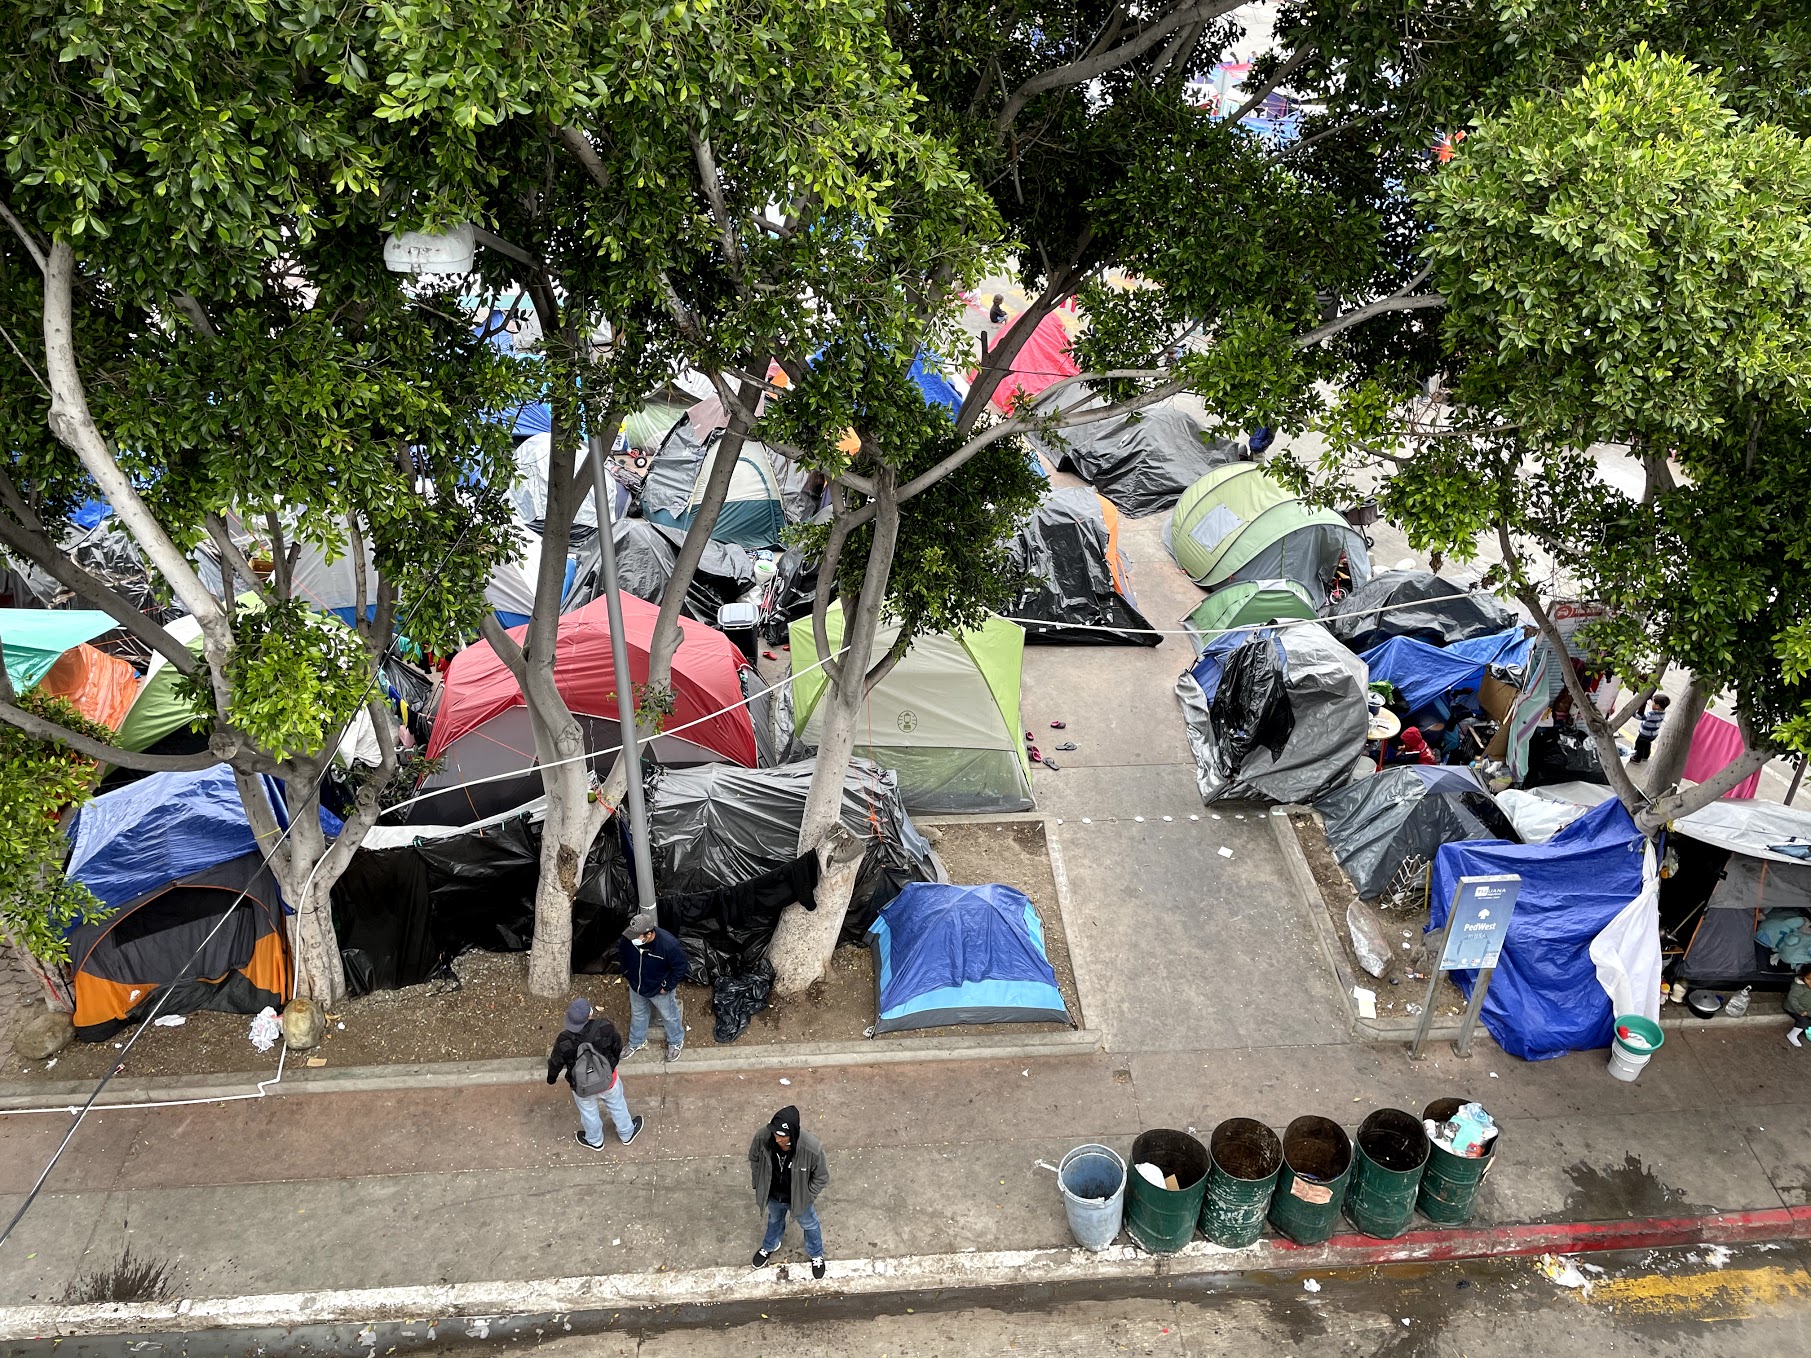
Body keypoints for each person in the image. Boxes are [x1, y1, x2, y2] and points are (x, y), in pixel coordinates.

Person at [546, 998, 642, 1150]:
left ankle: (595, 1141)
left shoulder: (563, 1039)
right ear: (589, 1015)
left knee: (588, 1114)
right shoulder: (604, 1027)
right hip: (607, 1080)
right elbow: (617, 1047)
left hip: (581, 1086)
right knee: (617, 1105)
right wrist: (610, 1065)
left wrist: (551, 1078)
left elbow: (556, 1062)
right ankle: (627, 1133)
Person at [749, 1104, 831, 1279]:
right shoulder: (762, 1138)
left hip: (798, 1198)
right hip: (773, 1194)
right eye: (775, 1134)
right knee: (774, 1219)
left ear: (792, 1135)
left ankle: (816, 1254)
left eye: (782, 1136)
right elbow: (754, 1159)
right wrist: (758, 1183)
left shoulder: (811, 1148)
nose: (777, 1139)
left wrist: (807, 1196)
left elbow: (822, 1176)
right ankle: (770, 1245)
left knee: (810, 1224)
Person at [614, 912, 689, 1061]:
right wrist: (627, 973)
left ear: (649, 934)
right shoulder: (629, 938)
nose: (632, 939)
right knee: (638, 1014)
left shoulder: (668, 945)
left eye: (637, 936)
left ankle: (675, 1041)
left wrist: (666, 987)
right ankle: (637, 1041)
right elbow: (622, 953)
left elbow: (681, 967)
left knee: (669, 1016)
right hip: (637, 986)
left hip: (659, 990)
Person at [1631, 694, 1671, 763]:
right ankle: (1645, 756)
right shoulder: (1662, 713)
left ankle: (1637, 758)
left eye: (1653, 702)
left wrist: (1633, 713)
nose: (1651, 703)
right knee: (1647, 744)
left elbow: (1640, 717)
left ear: (1657, 706)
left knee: (1639, 745)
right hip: (1653, 735)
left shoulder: (1651, 714)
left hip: (1645, 734)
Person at [1786, 964, 1811, 1049]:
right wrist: (1800, 1010)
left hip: (1807, 1008)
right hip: (1794, 1008)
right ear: (1803, 976)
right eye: (1809, 979)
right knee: (1804, 1021)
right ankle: (1792, 1035)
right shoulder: (1799, 987)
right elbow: (1792, 999)